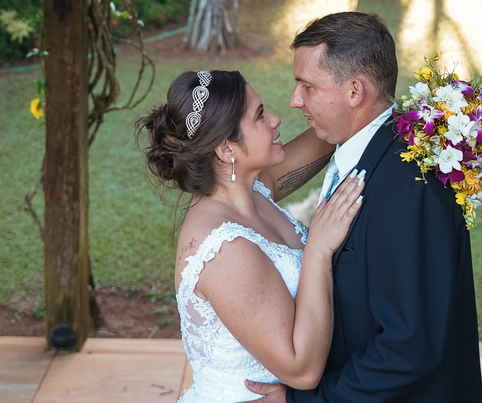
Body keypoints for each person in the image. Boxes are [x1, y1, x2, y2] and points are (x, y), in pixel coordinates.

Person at [247, 11, 482, 403]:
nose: (294, 100)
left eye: (307, 86)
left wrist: (302, 401)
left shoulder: (408, 187)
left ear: (355, 92)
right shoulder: (364, 150)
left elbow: (408, 348)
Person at [138, 69, 366, 403]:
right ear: (225, 148)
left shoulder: (255, 189)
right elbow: (302, 370)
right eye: (259, 115)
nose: (275, 119)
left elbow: (335, 130)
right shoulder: (223, 250)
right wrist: (318, 249)